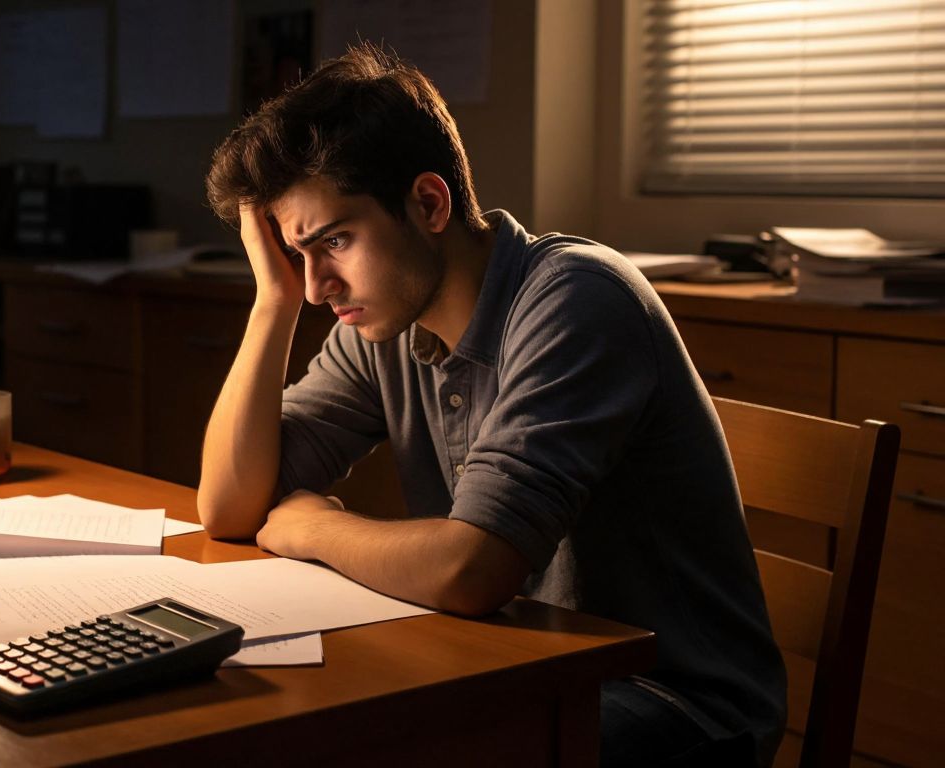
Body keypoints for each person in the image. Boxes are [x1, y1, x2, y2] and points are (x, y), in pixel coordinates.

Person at [198, 43, 786, 767]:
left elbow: (470, 571)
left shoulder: (576, 298)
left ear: (428, 203)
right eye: (300, 256)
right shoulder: (383, 321)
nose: (320, 286)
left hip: (672, 703)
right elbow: (228, 507)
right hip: (510, 661)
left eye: (337, 242)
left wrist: (316, 526)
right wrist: (272, 303)